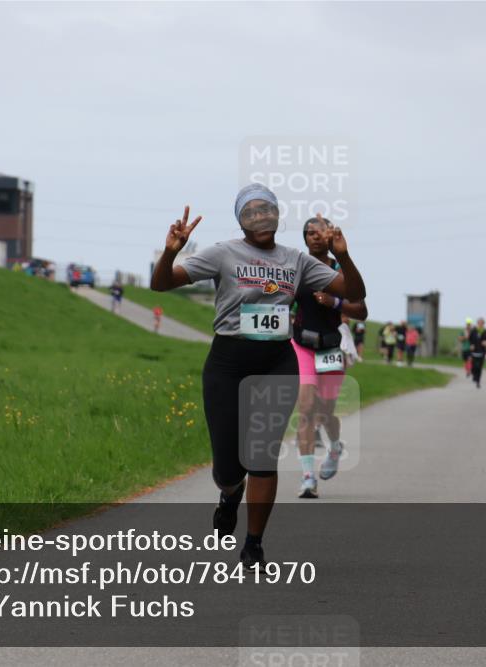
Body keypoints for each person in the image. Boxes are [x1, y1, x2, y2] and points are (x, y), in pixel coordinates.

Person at [150, 184, 366, 569]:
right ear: (241, 220)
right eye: (251, 212)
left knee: (262, 457)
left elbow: (352, 291)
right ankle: (230, 495)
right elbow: (161, 283)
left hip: (275, 363)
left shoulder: (296, 261)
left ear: (278, 216)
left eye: (267, 210)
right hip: (228, 363)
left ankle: (254, 544)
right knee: (227, 468)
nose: (261, 217)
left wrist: (343, 257)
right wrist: (171, 251)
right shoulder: (223, 253)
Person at [291, 217, 368, 498]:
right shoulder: (297, 267)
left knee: (324, 413)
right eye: (308, 233)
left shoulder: (339, 270)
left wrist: (335, 302)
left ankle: (335, 447)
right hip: (302, 346)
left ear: (330, 236)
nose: (314, 236)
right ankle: (308, 476)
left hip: (331, 348)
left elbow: (361, 311)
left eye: (319, 232)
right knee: (306, 408)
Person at [468, 317, 486, 389]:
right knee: (475, 366)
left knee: (480, 367)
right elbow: (470, 339)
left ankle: (478, 381)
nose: (480, 324)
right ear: (477, 323)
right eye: (479, 323)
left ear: (484, 324)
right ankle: (474, 375)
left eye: (482, 323)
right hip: (474, 351)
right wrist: (471, 345)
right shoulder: (474, 331)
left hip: (482, 352)